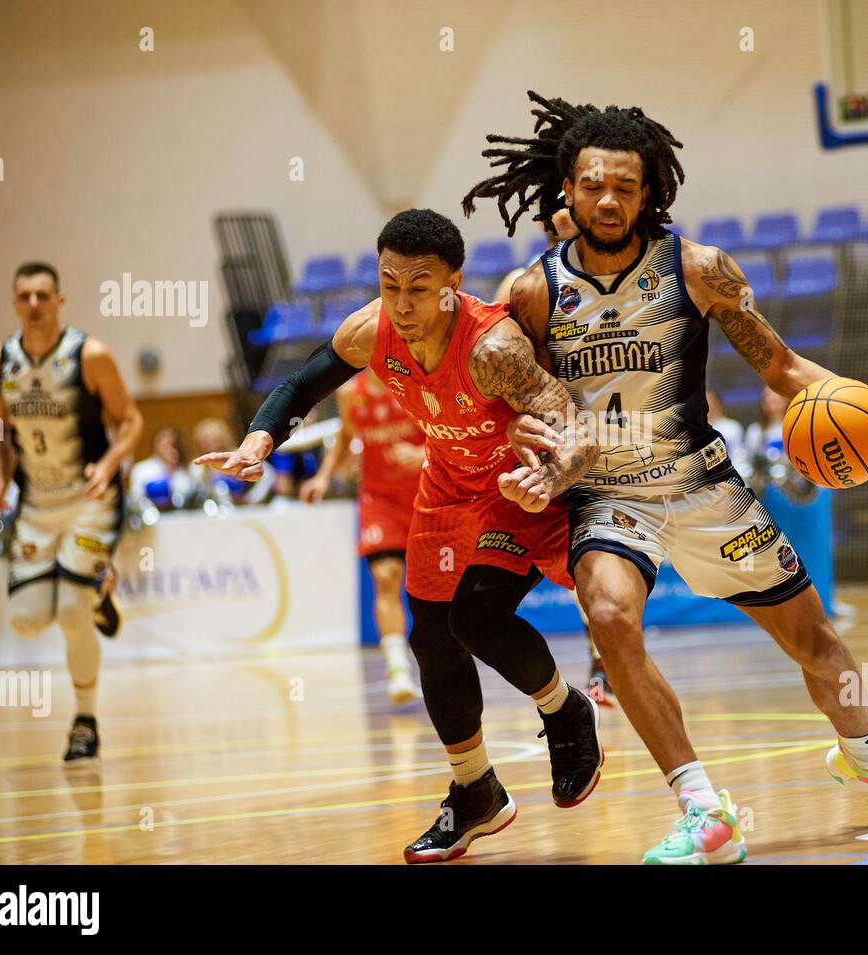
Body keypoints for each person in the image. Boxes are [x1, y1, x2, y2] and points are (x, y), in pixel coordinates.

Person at [464, 91, 868, 864]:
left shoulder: (697, 269)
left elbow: (782, 365)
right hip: (610, 496)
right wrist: (530, 455)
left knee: (817, 641)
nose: (607, 198)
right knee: (609, 615)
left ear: (650, 192)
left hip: (702, 487)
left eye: (626, 186)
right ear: (567, 188)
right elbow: (503, 395)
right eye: (593, 183)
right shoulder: (530, 292)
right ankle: (704, 808)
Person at [195, 209, 602, 863]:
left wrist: (551, 472)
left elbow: (564, 413)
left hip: (511, 489)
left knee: (475, 616)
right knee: (429, 636)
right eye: (390, 284)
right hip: (444, 487)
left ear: (454, 283)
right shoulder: (371, 331)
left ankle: (564, 710)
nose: (402, 303)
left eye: (419, 287)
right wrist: (258, 440)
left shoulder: (491, 348)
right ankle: (475, 792)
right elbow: (301, 383)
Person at [0, 262, 143, 761]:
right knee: (27, 621)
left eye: (43, 295)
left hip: (88, 501)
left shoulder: (89, 355)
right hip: (35, 504)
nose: (34, 304)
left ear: (59, 300)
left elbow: (132, 420)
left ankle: (85, 722)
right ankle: (99, 595)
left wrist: (110, 464)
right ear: (14, 303)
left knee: (72, 615)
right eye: (25, 296)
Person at [495, 209, 615, 705]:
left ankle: (607, 661)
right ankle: (595, 671)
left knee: (605, 560)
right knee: (579, 564)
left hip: (612, 429)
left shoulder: (617, 275)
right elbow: (494, 363)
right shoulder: (520, 285)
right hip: (554, 432)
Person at [299, 367, 424, 704]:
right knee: (386, 576)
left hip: (424, 493)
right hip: (378, 498)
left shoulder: (412, 380)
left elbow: (441, 429)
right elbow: (344, 437)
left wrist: (423, 456)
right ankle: (397, 666)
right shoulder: (349, 393)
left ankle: (446, 658)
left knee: (433, 585)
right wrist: (323, 478)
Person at [129, 426, 198, 504]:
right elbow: (136, 498)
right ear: (155, 445)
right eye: (165, 445)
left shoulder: (185, 471)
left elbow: (190, 495)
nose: (169, 449)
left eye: (173, 445)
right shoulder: (141, 469)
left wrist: (171, 470)